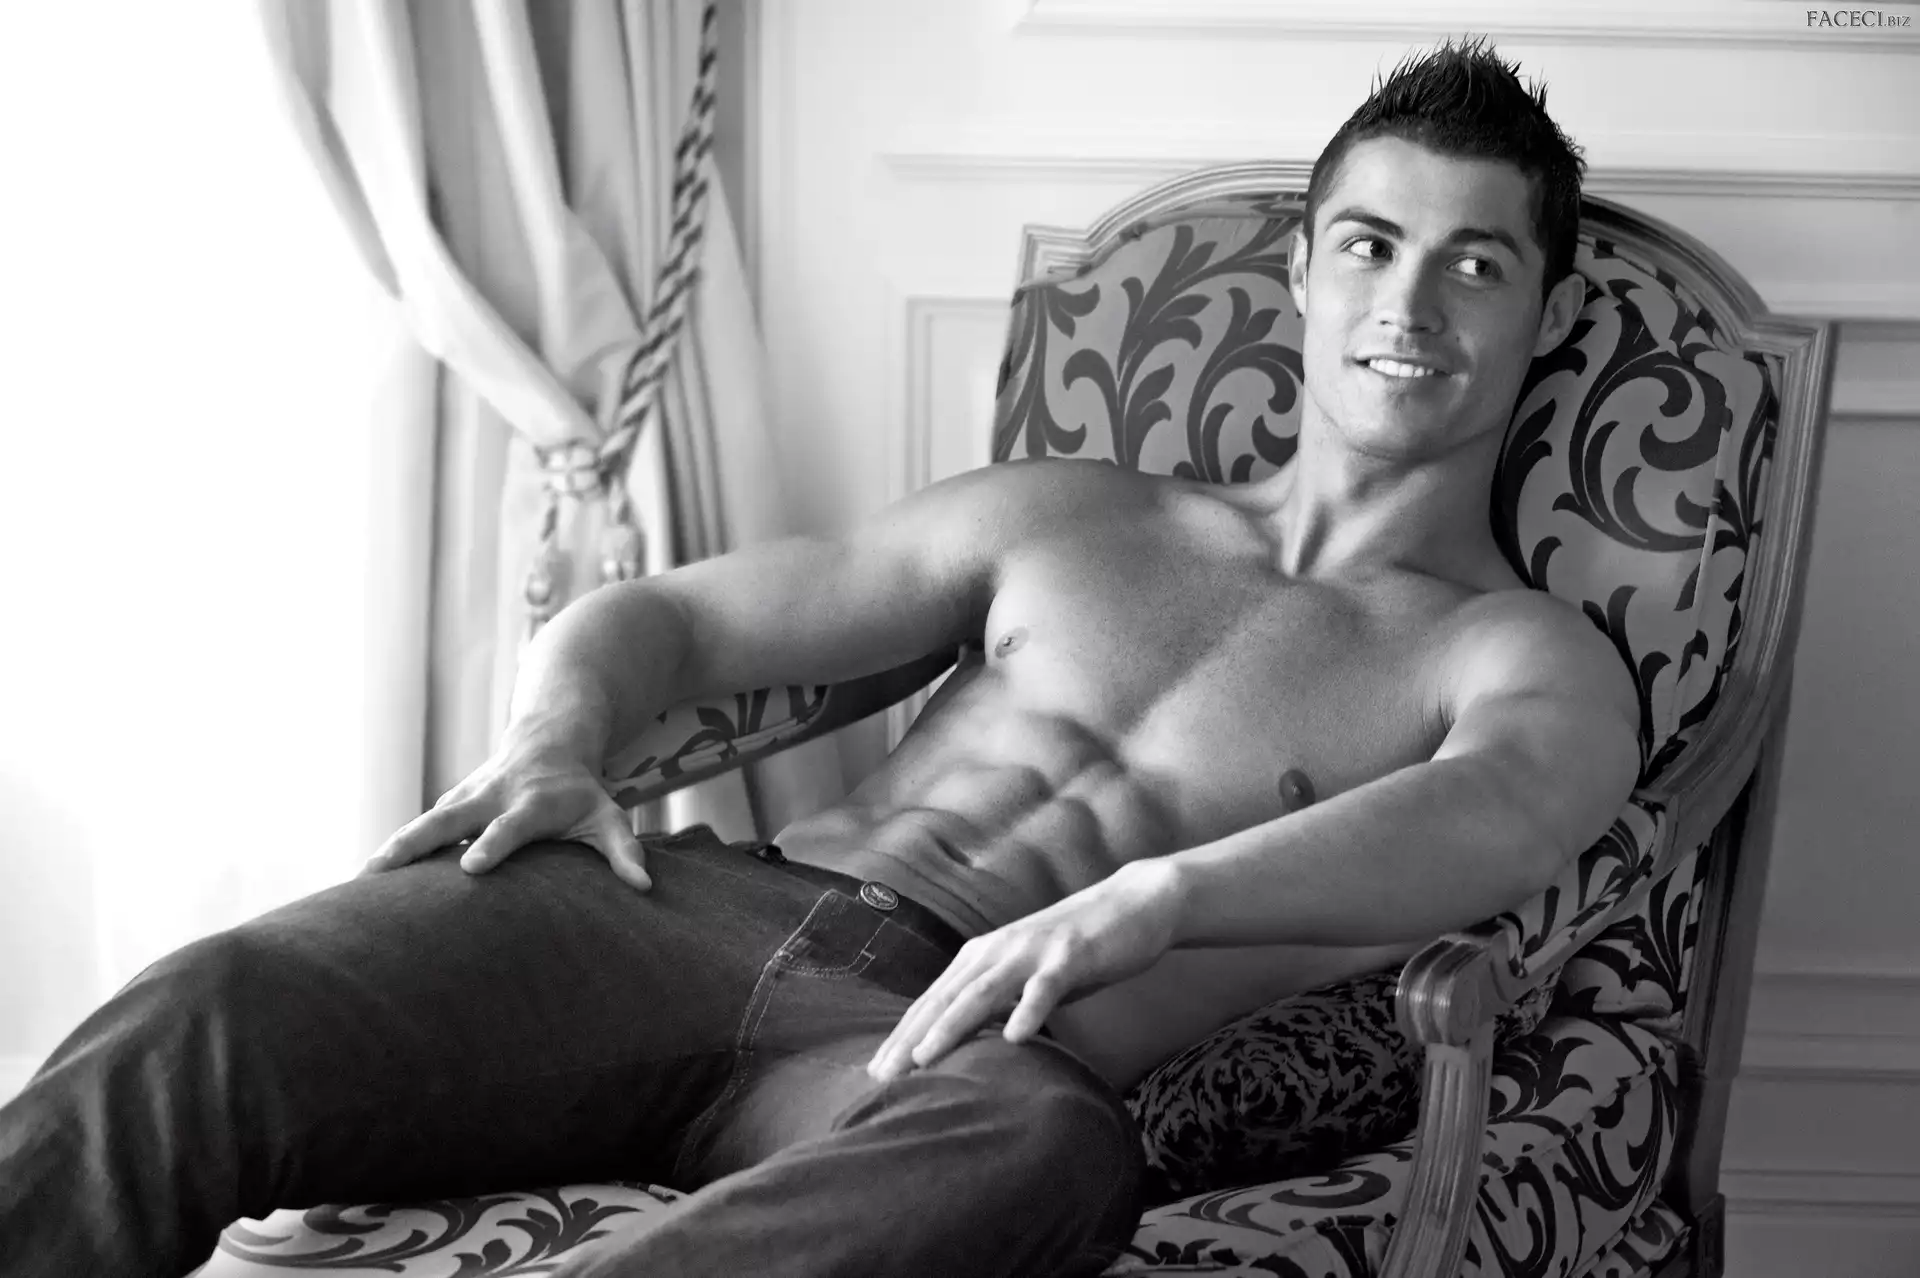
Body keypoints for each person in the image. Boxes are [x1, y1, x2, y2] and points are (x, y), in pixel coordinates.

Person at [0, 38, 1639, 1278]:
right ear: (1301, 268)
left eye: (1475, 261)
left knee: (1042, 1152)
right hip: (691, 913)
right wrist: (556, 741)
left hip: (942, 1050)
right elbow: (669, 621)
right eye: (1369, 243)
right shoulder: (1074, 514)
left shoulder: (1519, 653)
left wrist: (1157, 899)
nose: (1408, 301)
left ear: (1546, 311)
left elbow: (1500, 813)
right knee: (214, 1013)